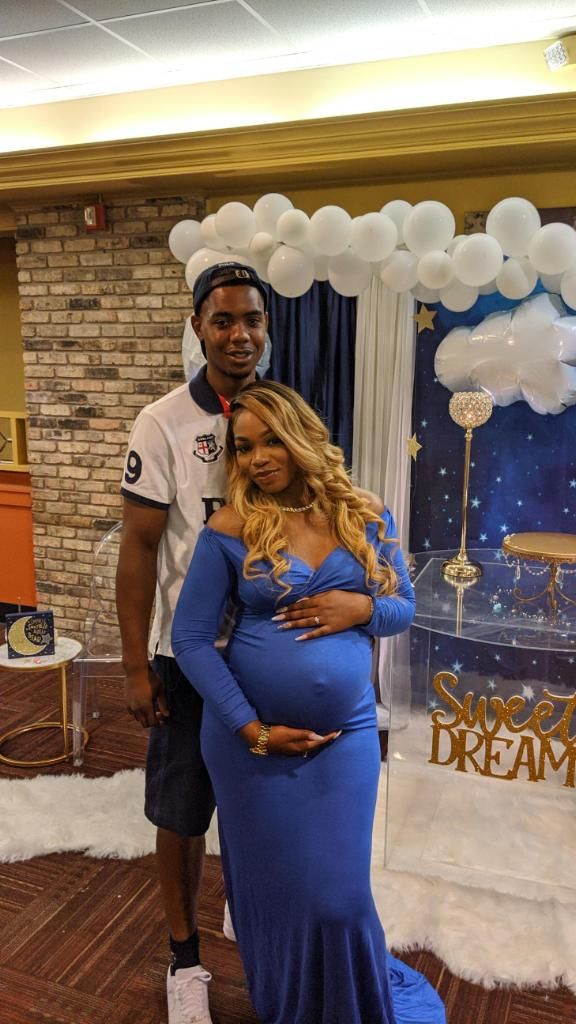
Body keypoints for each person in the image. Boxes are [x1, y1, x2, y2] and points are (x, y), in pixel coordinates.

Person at [116, 262, 385, 1024]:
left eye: (253, 320)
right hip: (190, 658)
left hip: (266, 651)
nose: (240, 334)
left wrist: (357, 603)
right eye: (224, 320)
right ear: (198, 327)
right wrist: (136, 665)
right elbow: (138, 550)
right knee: (180, 812)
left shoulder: (278, 412)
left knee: (267, 812)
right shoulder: (163, 421)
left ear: (269, 329)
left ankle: (265, 927)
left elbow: (334, 527)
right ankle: (186, 959)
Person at [172, 381, 446, 1024]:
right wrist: (251, 730)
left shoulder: (365, 512)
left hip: (346, 736)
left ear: (302, 437)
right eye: (243, 449)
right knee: (280, 893)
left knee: (338, 897)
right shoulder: (231, 527)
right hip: (251, 749)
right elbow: (190, 640)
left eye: (271, 440)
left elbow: (403, 608)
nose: (258, 458)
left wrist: (362, 606)